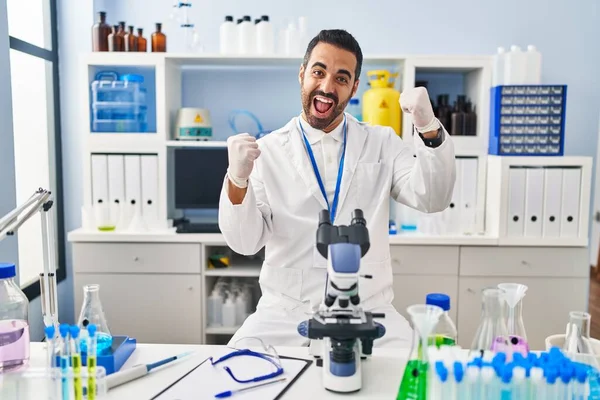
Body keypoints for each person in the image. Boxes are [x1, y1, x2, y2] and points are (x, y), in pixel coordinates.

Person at [218, 29, 456, 348]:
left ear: (354, 87)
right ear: (302, 74)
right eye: (318, 72)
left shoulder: (381, 142)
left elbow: (433, 198)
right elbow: (244, 242)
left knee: (413, 379)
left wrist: (428, 128)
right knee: (236, 372)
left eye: (341, 78)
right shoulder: (268, 151)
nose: (327, 87)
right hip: (286, 314)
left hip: (370, 312)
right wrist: (237, 180)